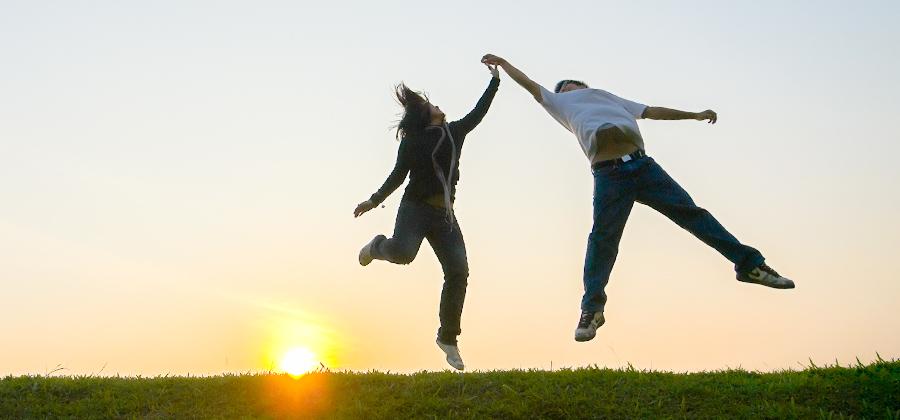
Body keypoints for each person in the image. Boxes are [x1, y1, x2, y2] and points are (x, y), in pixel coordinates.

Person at [480, 53, 794, 343]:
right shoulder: (559, 103)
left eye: (570, 84)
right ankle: (592, 311)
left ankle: (751, 266)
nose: (566, 87)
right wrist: (505, 64)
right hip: (609, 175)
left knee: (693, 215)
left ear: (584, 86)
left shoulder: (609, 97)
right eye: (561, 88)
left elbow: (652, 111)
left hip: (644, 167)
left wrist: (694, 115)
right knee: (602, 240)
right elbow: (530, 85)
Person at [353, 64, 500, 370]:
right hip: (415, 208)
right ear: (425, 115)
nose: (438, 106)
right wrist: (374, 200)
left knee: (458, 271)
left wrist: (495, 81)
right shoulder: (413, 142)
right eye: (432, 105)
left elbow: (478, 113)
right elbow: (398, 175)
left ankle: (448, 338)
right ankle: (378, 246)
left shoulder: (454, 132)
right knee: (404, 253)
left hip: (444, 214)